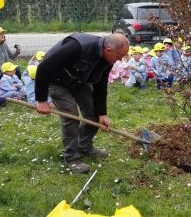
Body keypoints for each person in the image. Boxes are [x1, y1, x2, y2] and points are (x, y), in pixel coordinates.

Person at [35, 33, 129, 174]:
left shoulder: (108, 60)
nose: (120, 60)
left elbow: (100, 85)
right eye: (118, 56)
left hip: (79, 81)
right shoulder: (77, 46)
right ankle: (71, 157)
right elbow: (43, 68)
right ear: (108, 50)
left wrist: (102, 113)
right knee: (71, 116)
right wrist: (42, 100)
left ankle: (84, 147)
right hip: (57, 82)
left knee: (94, 115)